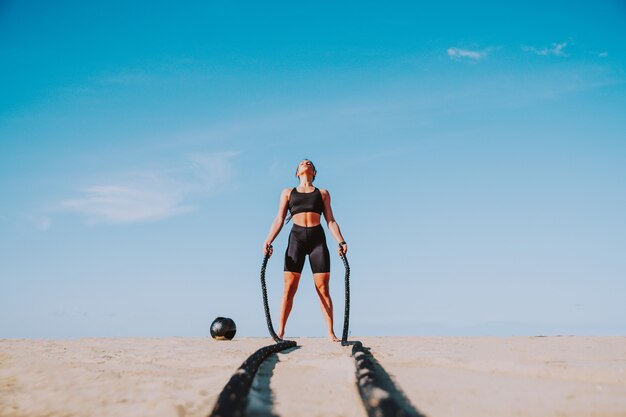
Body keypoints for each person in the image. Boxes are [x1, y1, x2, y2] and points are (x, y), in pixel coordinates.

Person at [263, 159, 348, 342]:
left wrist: (341, 241)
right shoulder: (287, 193)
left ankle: (331, 333)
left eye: (309, 163)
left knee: (323, 288)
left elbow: (331, 220)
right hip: (296, 240)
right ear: (297, 172)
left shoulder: (323, 193)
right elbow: (279, 219)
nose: (306, 163)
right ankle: (281, 332)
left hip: (318, 240)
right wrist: (268, 241)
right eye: (302, 163)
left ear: (314, 172)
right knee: (289, 288)